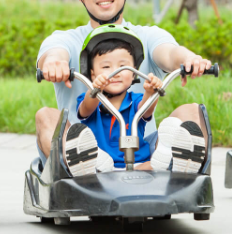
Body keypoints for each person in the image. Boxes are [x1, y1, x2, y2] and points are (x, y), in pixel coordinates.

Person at [37, 0, 213, 173]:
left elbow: (170, 53)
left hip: (143, 148)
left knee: (192, 112)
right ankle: (84, 165)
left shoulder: (148, 36)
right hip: (81, 150)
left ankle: (166, 165)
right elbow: (54, 54)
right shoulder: (65, 39)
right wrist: (55, 64)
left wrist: (190, 59)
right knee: (46, 116)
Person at [67, 24, 168, 174]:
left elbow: (146, 110)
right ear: (93, 74)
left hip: (139, 164)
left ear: (134, 73)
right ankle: (98, 162)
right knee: (77, 143)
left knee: (158, 164)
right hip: (99, 165)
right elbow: (86, 109)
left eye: (123, 66)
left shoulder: (136, 100)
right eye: (106, 67)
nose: (116, 72)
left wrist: (151, 92)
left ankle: (170, 153)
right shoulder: (90, 99)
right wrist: (95, 89)